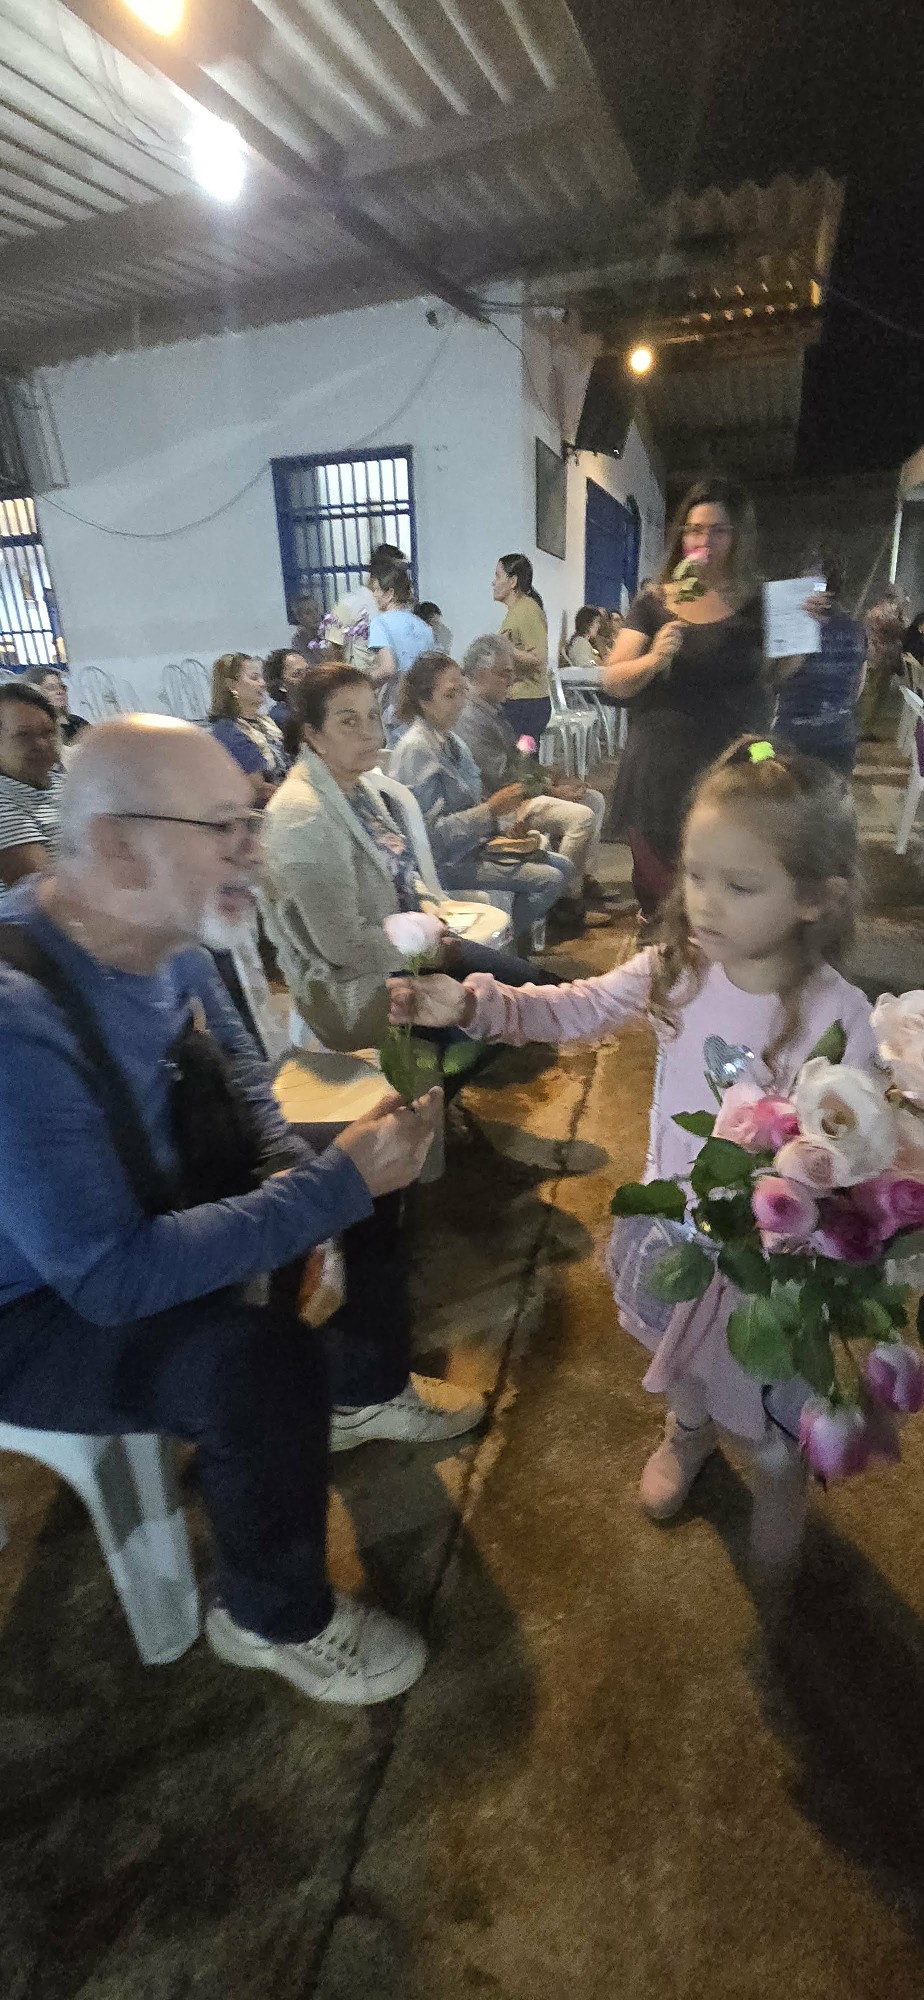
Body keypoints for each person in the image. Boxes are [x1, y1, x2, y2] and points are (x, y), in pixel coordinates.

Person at [0, 715, 493, 1707]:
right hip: (37, 1301)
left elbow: (246, 1084)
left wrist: (307, 1193)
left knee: (367, 1159)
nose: (252, 851)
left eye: (251, 820)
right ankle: (271, 1615)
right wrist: (320, 1196)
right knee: (256, 1364)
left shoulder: (174, 930)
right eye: (222, 827)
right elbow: (109, 1275)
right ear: (119, 847)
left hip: (146, 1201)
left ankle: (360, 1390)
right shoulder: (19, 1016)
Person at [390, 738, 875, 1567]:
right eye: (695, 874)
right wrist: (470, 1003)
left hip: (776, 1260)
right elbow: (572, 1009)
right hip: (680, 1227)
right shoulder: (675, 972)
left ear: (815, 898)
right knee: (677, 1354)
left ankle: (775, 1462)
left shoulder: (841, 1014)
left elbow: (857, 1145)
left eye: (741, 883)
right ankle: (686, 1434)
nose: (707, 903)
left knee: (766, 1382)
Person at [260, 666, 558, 1053]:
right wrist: (431, 948)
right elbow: (343, 947)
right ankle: (434, 1098)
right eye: (348, 721)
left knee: (538, 988)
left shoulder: (359, 788)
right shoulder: (305, 816)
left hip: (410, 952)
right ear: (313, 734)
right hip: (354, 988)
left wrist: (433, 917)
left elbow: (402, 869)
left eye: (371, 716)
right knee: (493, 1020)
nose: (370, 733)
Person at [603, 476, 769, 922]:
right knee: (661, 899)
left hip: (732, 768)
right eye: (695, 529)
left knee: (725, 896)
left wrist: (802, 630)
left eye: (718, 530)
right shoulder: (655, 602)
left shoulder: (759, 603)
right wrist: (655, 658)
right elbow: (614, 680)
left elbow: (778, 677)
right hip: (660, 768)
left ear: (738, 537)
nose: (704, 540)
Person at [389, 653, 577, 941]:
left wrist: (503, 825)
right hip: (444, 863)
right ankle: (506, 945)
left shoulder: (451, 741)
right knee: (549, 880)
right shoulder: (416, 750)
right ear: (425, 702)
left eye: (462, 691)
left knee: (563, 866)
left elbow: (471, 802)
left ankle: (513, 940)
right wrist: (490, 811)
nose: (461, 702)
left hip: (471, 847)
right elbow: (427, 838)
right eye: (450, 695)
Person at [455, 634, 609, 911]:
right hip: (499, 803)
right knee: (582, 816)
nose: (511, 681)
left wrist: (554, 776)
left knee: (594, 800)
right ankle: (563, 903)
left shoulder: (489, 709)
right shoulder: (470, 716)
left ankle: (579, 881)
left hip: (513, 792)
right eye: (504, 674)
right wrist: (553, 788)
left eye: (511, 674)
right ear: (480, 673)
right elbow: (503, 777)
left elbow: (517, 761)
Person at [771, 559, 867, 773]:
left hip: (804, 736)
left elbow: (776, 679)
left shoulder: (851, 628)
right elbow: (859, 685)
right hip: (831, 735)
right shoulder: (854, 627)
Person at [0, 682, 62, 894]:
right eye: (23, 735)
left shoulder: (61, 782)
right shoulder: (4, 800)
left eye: (48, 732)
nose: (42, 744)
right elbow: (41, 895)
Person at [366, 560, 434, 739]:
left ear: (389, 594)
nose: (374, 595)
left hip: (396, 706)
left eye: (376, 590)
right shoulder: (423, 626)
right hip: (422, 704)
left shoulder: (380, 623)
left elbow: (387, 668)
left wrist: (360, 682)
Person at [208, 653, 287, 805]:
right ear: (232, 686)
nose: (263, 683)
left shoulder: (266, 721)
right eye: (254, 678)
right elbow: (261, 790)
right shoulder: (229, 732)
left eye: (262, 678)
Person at [492, 553, 550, 743]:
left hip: (527, 704)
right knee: (518, 764)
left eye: (498, 576)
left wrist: (503, 648)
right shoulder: (517, 611)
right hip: (519, 701)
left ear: (512, 581)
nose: (493, 583)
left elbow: (539, 659)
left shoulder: (527, 610)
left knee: (522, 766)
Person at [22, 667, 89, 746]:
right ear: (35, 692)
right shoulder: (35, 730)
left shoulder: (77, 721)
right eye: (51, 688)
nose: (60, 692)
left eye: (62, 687)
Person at [263, 648, 308, 734]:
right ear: (281, 685)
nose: (308, 677)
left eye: (308, 670)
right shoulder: (281, 718)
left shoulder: (310, 710)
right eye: (298, 674)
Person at [563, 606, 606, 679]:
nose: (599, 625)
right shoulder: (581, 643)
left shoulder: (578, 641)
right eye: (596, 622)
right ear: (588, 624)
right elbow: (585, 669)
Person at [288, 595, 323, 661]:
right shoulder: (299, 640)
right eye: (308, 613)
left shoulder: (329, 633)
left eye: (316, 610)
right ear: (298, 617)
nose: (315, 615)